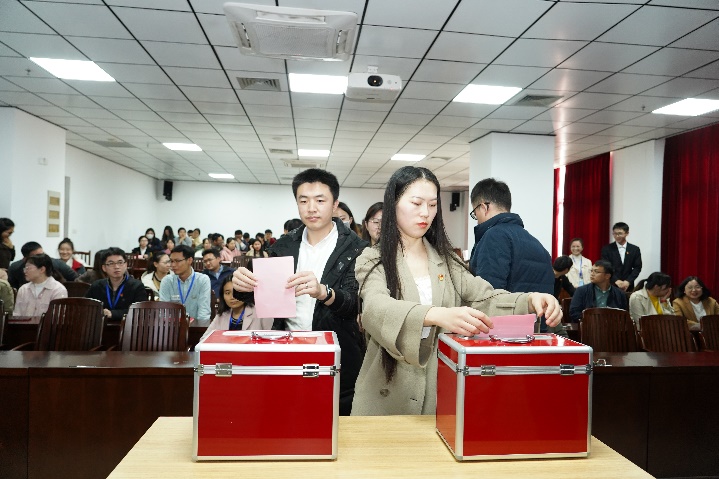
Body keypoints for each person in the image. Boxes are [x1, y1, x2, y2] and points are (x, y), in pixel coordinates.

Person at [351, 166, 561, 416]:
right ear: (393, 204)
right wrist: (436, 315)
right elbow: (375, 308)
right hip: (386, 395)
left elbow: (484, 297)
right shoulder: (372, 259)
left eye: (432, 205)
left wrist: (530, 300)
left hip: (437, 393)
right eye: (416, 203)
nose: (425, 213)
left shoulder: (447, 261)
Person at [232, 168, 369, 416]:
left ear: (335, 204)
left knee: (335, 422)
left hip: (338, 353)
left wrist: (324, 292)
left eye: (320, 200)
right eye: (303, 201)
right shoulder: (284, 245)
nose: (311, 208)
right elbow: (267, 295)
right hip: (287, 350)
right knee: (287, 419)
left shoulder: (357, 248)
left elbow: (356, 304)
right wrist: (242, 287)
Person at [468, 178, 555, 332]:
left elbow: (487, 296)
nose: (477, 221)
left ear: (483, 207)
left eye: (475, 214)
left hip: (502, 333)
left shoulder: (494, 237)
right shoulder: (537, 244)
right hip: (536, 332)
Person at [200, 276, 273, 341]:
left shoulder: (260, 313)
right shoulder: (221, 315)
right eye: (227, 293)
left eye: (237, 292)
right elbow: (203, 340)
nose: (232, 297)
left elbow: (271, 339)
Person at [85, 248, 147, 321]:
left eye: (120, 263)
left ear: (126, 265)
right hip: (100, 325)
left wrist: (113, 314)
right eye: (111, 263)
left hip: (127, 325)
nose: (116, 267)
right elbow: (86, 307)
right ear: (104, 268)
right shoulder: (97, 286)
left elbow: (140, 311)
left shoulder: (136, 286)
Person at [160, 245, 211, 321]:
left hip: (195, 326)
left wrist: (199, 327)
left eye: (177, 261)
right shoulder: (167, 281)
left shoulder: (202, 280)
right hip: (172, 326)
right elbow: (163, 311)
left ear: (189, 260)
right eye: (172, 261)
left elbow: (204, 313)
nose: (173, 265)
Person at [8, 242, 78, 289]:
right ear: (25, 259)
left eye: (43, 254)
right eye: (38, 256)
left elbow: (76, 279)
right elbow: (12, 289)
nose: (43, 258)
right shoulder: (16, 268)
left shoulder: (56, 263)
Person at [601, 222, 642, 292]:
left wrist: (628, 281)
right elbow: (605, 266)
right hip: (611, 284)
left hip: (628, 286)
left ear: (627, 233)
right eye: (615, 233)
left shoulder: (634, 249)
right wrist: (616, 280)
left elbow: (637, 267)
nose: (617, 236)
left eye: (620, 233)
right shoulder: (607, 249)